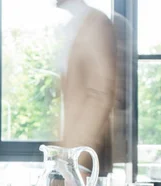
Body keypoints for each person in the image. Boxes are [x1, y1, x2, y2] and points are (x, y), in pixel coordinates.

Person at [53, 0, 117, 176]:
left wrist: (77, 158)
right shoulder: (73, 25)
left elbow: (101, 95)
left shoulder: (96, 24)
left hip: (86, 158)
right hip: (72, 154)